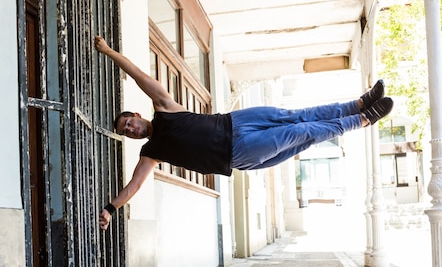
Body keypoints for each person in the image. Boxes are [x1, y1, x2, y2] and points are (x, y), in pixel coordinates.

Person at [94, 36, 393, 230]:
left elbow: (138, 75)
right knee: (301, 132)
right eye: (126, 133)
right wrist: (110, 208)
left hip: (235, 121)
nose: (130, 130)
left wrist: (108, 51)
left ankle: (357, 104)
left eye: (128, 124)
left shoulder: (164, 107)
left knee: (298, 116)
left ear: (136, 115)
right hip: (238, 151)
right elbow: (133, 186)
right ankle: (362, 120)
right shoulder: (151, 153)